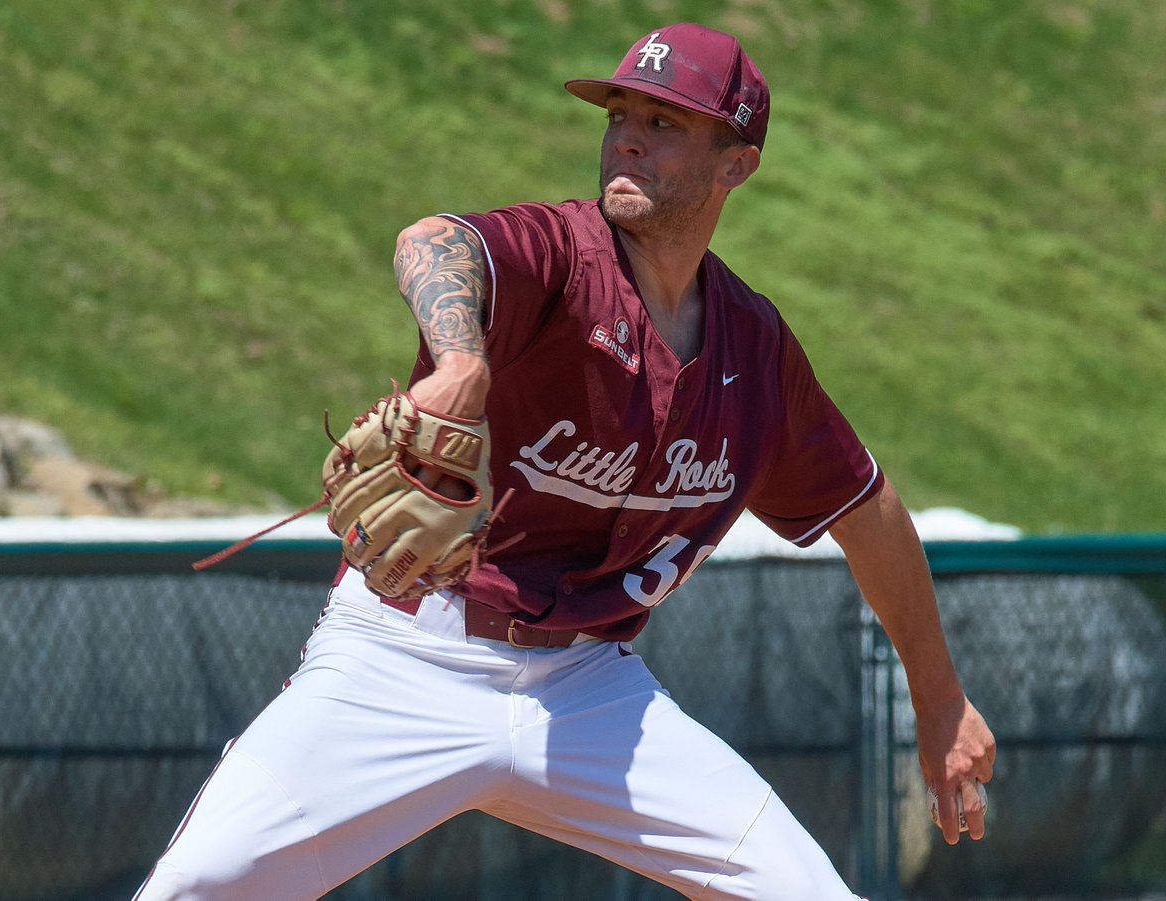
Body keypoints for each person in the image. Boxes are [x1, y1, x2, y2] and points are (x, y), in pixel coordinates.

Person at [136, 22, 995, 900]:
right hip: (406, 657)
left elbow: (868, 508)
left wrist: (939, 700)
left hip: (589, 693)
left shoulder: (755, 352)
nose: (626, 133)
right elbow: (435, 240)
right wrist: (463, 356)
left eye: (665, 122)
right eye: (620, 110)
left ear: (736, 163)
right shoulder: (559, 257)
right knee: (199, 882)